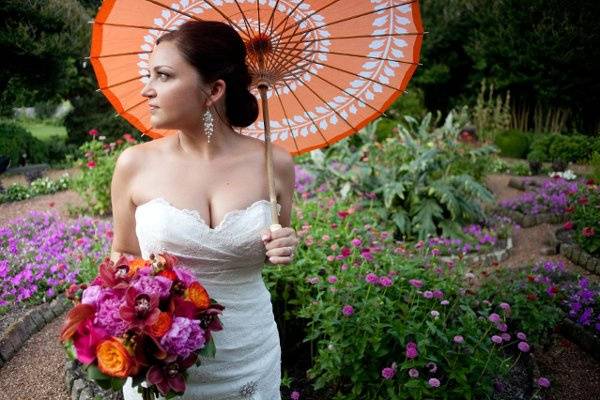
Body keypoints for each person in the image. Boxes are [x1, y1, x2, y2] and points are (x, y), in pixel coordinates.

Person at [110, 20, 299, 400]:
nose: (147, 90)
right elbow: (124, 254)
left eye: (163, 76)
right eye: (150, 75)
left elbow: (280, 238)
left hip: (250, 352)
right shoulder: (134, 164)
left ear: (213, 90)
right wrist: (133, 314)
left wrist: (287, 244)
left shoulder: (274, 163)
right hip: (162, 359)